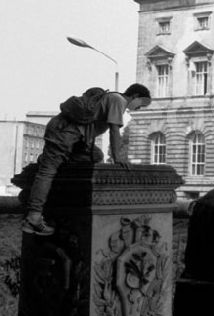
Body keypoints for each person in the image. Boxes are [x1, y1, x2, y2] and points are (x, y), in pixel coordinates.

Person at [22, 83, 152, 236]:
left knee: (96, 156)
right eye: (141, 104)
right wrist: (118, 158)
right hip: (63, 132)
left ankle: (48, 160)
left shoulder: (113, 98)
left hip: (75, 138)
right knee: (47, 171)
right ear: (135, 96)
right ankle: (34, 217)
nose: (139, 108)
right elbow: (114, 130)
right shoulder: (118, 100)